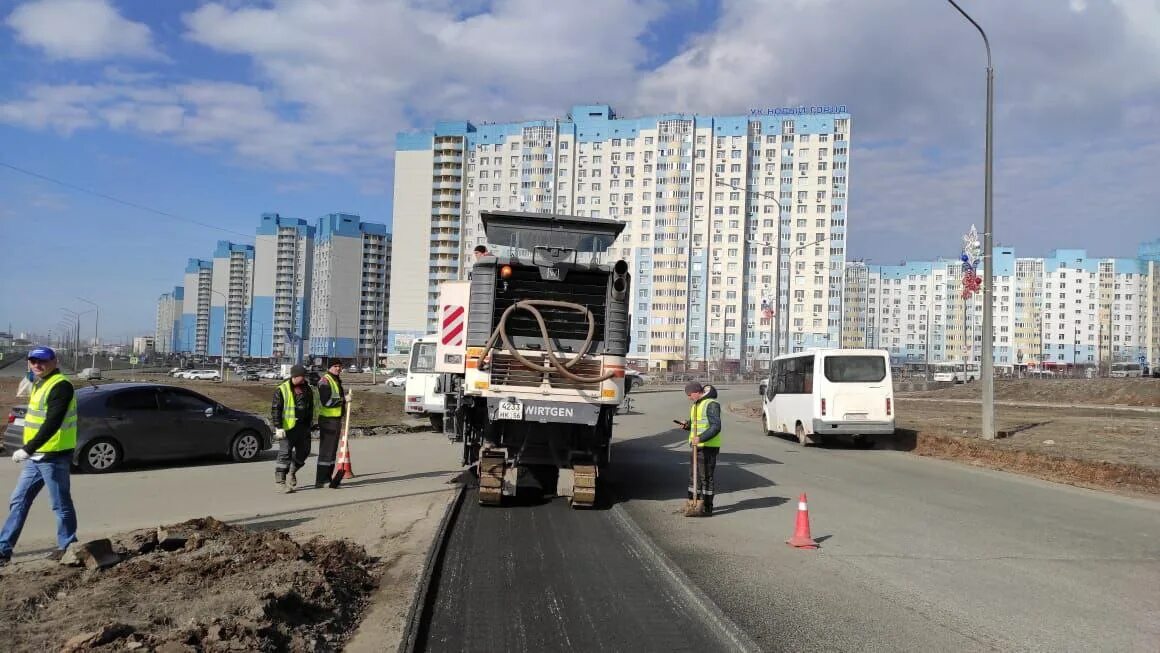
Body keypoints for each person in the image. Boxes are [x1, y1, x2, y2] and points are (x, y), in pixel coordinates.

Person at [0, 347, 79, 565]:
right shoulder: (40, 381)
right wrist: (31, 450)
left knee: (60, 504)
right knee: (19, 500)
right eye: (33, 361)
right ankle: (3, 549)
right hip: (37, 457)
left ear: (55, 361)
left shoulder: (61, 386)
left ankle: (68, 546)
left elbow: (52, 422)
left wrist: (27, 449)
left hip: (54, 455)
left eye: (42, 361)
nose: (37, 365)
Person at [677, 381, 722, 517]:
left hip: (708, 447)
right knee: (693, 477)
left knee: (706, 478)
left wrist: (701, 438)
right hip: (697, 446)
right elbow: (696, 424)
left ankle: (707, 507)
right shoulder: (696, 404)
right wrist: (687, 425)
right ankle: (693, 503)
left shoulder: (711, 404)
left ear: (697, 392)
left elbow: (716, 427)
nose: (689, 397)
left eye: (690, 394)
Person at [272, 365, 319, 493]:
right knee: (285, 454)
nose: (304, 379)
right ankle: (280, 482)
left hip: (303, 427)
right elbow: (276, 409)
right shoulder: (282, 389)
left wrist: (311, 423)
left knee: (304, 452)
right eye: (302, 376)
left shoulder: (307, 389)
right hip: (287, 428)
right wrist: (278, 427)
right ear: (295, 376)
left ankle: (292, 471)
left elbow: (311, 407)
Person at [315, 359, 349, 489]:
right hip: (328, 420)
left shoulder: (335, 380)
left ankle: (328, 478)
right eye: (335, 366)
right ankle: (321, 480)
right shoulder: (325, 381)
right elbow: (327, 402)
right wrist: (343, 400)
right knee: (326, 451)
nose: (338, 368)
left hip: (335, 420)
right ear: (329, 367)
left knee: (332, 452)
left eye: (340, 366)